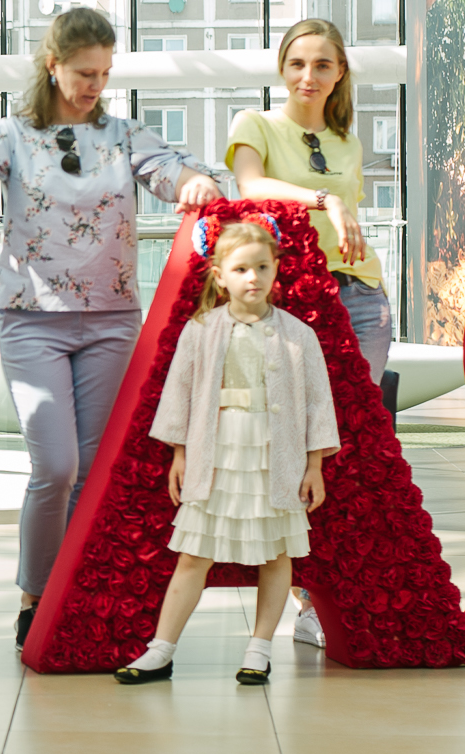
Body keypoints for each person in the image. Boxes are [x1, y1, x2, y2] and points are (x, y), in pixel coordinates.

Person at [0, 6, 223, 648]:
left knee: (94, 467)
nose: (95, 85)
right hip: (31, 319)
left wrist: (195, 181)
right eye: (83, 73)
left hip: (110, 319)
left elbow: (170, 170)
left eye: (103, 73)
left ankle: (74, 595)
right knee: (56, 465)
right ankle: (34, 595)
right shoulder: (12, 134)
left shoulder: (123, 135)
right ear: (54, 66)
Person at [115, 218, 338, 686]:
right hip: (215, 456)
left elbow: (319, 402)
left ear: (276, 268)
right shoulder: (201, 330)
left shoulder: (299, 335)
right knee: (193, 553)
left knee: (276, 555)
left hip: (275, 457)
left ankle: (259, 649)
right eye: (240, 269)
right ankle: (161, 649)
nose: (253, 277)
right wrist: (179, 454)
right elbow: (179, 393)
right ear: (220, 276)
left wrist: (314, 465)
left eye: (262, 267)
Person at [226, 16, 387, 652]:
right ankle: (305, 596)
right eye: (297, 63)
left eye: (322, 65)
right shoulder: (255, 125)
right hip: (298, 302)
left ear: (340, 72)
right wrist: (328, 201)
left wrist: (338, 206)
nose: (308, 76)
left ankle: (341, 592)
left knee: (350, 447)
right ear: (282, 69)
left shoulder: (347, 140)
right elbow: (250, 186)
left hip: (363, 298)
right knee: (293, 444)